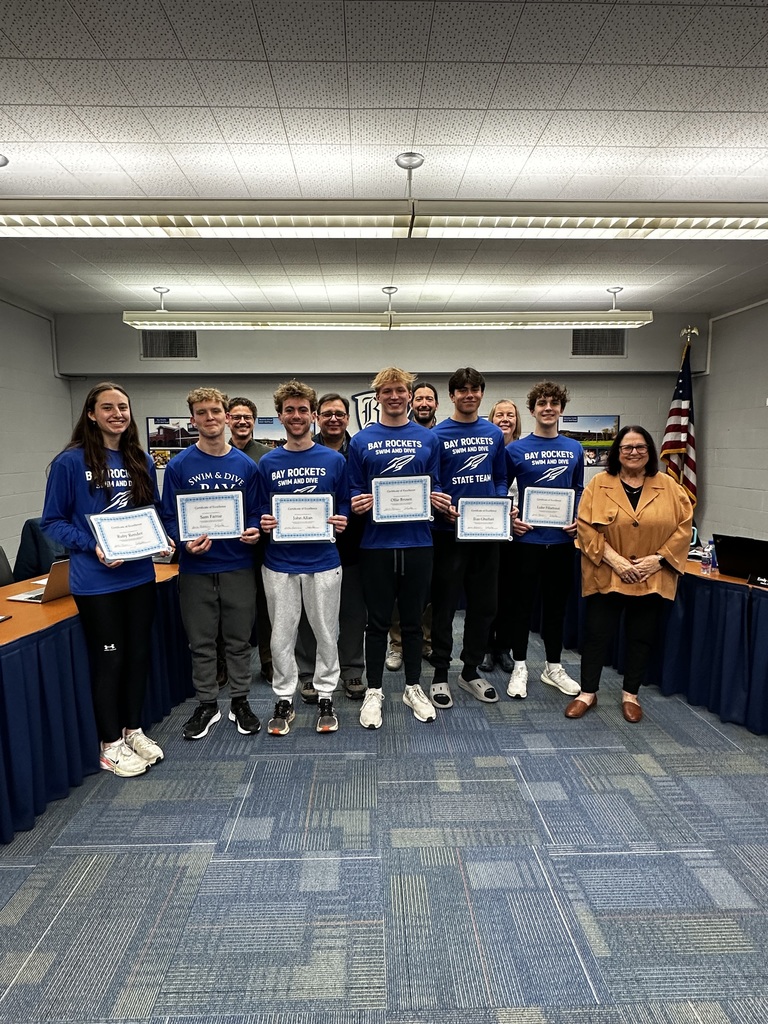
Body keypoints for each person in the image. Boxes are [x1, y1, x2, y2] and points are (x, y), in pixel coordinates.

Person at [41, 382, 168, 777]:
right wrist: (92, 545)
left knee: (138, 655)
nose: (117, 414)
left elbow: (152, 510)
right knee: (110, 659)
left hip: (139, 575)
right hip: (96, 582)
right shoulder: (69, 462)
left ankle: (132, 730)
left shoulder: (139, 458)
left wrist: (162, 538)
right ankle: (110, 744)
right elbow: (52, 522)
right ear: (91, 414)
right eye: (108, 407)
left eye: (123, 407)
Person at [567, 425, 693, 722]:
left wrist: (658, 560)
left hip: (651, 576)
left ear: (649, 451)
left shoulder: (670, 486)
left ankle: (630, 695)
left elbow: (684, 528)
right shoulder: (599, 484)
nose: (634, 452)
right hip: (607, 573)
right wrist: (617, 562)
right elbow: (585, 527)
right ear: (617, 452)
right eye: (627, 447)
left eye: (640, 447)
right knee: (596, 635)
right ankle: (587, 693)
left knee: (641, 636)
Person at [348, 367, 450, 729]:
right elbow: (353, 489)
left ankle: (412, 687)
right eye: (387, 391)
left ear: (409, 395)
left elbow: (436, 483)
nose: (394, 396)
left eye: (400, 390)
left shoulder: (428, 439)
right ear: (378, 397)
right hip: (376, 545)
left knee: (412, 623)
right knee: (376, 623)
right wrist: (356, 502)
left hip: (419, 542)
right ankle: (374, 690)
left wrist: (438, 498)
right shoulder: (361, 441)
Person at [161, 387, 261, 740]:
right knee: (201, 642)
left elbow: (257, 511)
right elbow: (169, 516)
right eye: (201, 412)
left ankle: (240, 701)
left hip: (237, 565)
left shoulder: (246, 465)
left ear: (226, 416)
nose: (210, 418)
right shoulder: (179, 465)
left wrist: (254, 530)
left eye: (215, 411)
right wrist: (183, 541)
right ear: (193, 420)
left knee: (238, 641)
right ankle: (207, 703)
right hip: (196, 569)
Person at [257, 380, 349, 735]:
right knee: (281, 636)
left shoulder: (334, 460)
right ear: (280, 416)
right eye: (289, 410)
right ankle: (284, 697)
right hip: (279, 563)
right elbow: (256, 509)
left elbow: (345, 504)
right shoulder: (268, 462)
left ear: (313, 415)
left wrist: (343, 519)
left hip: (323, 561)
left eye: (302, 410)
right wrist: (262, 521)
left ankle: (326, 694)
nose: (296, 416)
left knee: (327, 633)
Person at [429, 367, 508, 707]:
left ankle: (470, 670)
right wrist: (442, 504)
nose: (469, 395)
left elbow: (501, 478)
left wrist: (501, 504)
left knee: (484, 606)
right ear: (452, 396)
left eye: (475, 389)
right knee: (444, 607)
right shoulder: (437, 435)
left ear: (481, 394)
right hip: (448, 534)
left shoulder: (493, 434)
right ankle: (440, 673)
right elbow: (432, 482)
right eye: (462, 390)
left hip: (486, 535)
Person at [505, 381, 584, 700]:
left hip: (562, 543)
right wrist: (510, 517)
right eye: (542, 403)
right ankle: (519, 666)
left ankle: (553, 666)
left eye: (554, 403)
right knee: (521, 608)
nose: (548, 408)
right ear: (532, 410)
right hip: (526, 543)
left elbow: (578, 489)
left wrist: (578, 517)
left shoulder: (574, 448)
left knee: (556, 608)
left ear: (561, 409)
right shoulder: (515, 450)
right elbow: (500, 488)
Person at [294, 392, 367, 702]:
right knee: (310, 615)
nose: (333, 419)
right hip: (310, 547)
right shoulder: (303, 451)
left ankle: (351, 671)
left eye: (339, 413)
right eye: (327, 414)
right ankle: (310, 673)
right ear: (316, 418)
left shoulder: (360, 451)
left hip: (353, 545)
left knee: (352, 613)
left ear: (348, 419)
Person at [386, 380, 438, 669]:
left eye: (429, 398)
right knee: (397, 594)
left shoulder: (436, 437)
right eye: (419, 398)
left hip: (432, 529)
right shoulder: (390, 436)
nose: (424, 403)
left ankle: (424, 641)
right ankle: (397, 644)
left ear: (436, 404)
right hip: (395, 528)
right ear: (411, 401)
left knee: (427, 593)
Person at [226, 396, 273, 684]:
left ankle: (268, 661)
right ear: (227, 420)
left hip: (262, 546)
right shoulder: (217, 453)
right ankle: (229, 663)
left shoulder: (267, 457)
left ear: (254, 421)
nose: (242, 421)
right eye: (236, 416)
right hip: (227, 547)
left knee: (266, 607)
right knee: (231, 608)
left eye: (247, 417)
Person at [481, 399, 522, 674]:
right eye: (499, 414)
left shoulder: (523, 452)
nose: (505, 419)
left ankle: (504, 648)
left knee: (509, 595)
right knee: (487, 594)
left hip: (517, 535)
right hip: (486, 531)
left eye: (510, 415)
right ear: (491, 419)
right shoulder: (485, 451)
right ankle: (485, 647)